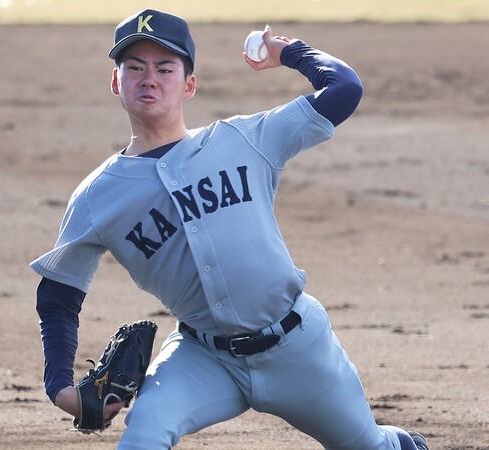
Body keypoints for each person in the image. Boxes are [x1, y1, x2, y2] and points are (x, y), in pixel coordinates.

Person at [30, 8, 429, 450]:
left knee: (368, 447)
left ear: (189, 86)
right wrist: (59, 388)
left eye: (165, 68)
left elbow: (344, 89)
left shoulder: (242, 140)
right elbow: (58, 294)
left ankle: (400, 444)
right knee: (142, 435)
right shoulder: (96, 197)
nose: (149, 78)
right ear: (115, 82)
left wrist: (289, 52)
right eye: (134, 68)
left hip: (298, 347)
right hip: (202, 358)